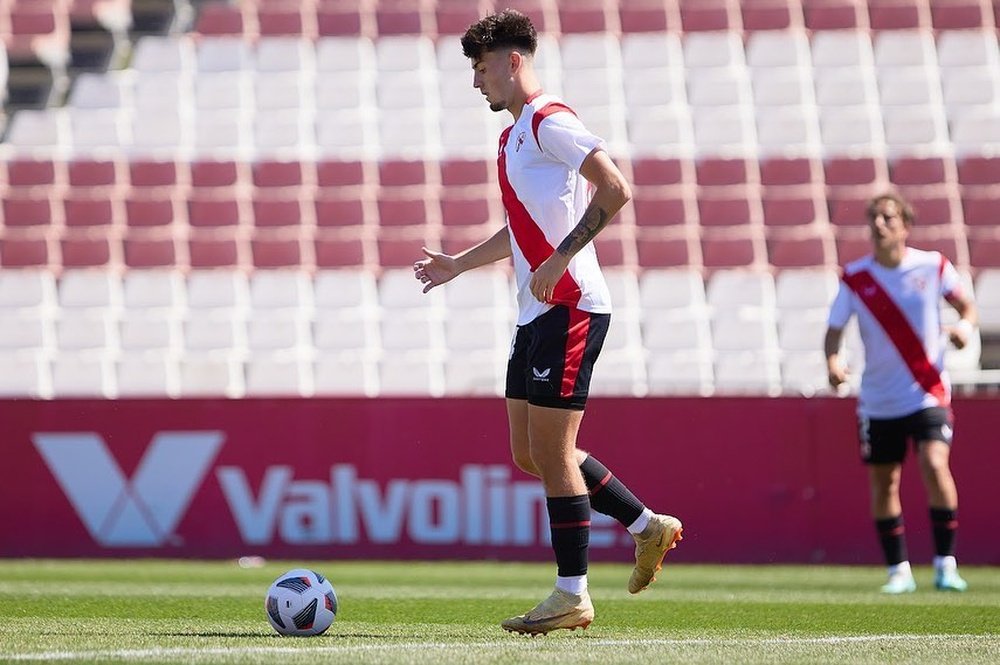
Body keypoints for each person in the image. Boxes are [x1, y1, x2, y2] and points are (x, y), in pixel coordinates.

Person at [413, 9, 683, 635]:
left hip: (571, 305)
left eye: (482, 69)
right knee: (531, 453)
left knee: (554, 453)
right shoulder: (512, 137)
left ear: (513, 62)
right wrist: (459, 264)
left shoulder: (548, 120)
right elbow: (522, 230)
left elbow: (615, 188)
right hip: (536, 310)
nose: (476, 82)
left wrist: (562, 257)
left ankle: (572, 595)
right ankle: (647, 526)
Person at [824, 192, 978, 594]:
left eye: (888, 218)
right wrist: (833, 363)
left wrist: (963, 328)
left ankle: (946, 564)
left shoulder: (933, 265)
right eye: (874, 218)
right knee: (885, 482)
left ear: (905, 226)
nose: (879, 225)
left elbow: (967, 308)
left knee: (933, 464)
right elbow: (834, 331)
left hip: (926, 391)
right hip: (878, 400)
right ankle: (899, 571)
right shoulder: (856, 277)